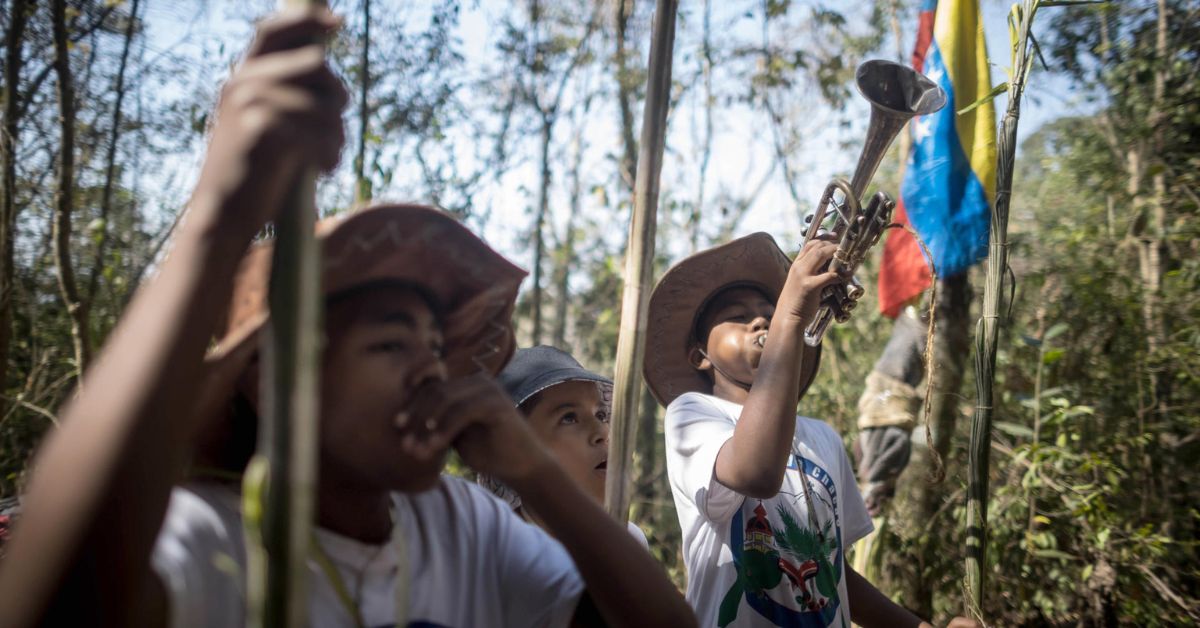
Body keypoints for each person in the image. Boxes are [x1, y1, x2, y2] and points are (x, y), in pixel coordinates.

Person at [0, 9, 695, 628]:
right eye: (392, 342)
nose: (431, 367)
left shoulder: (463, 525)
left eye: (435, 344)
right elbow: (54, 598)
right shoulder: (210, 541)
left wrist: (534, 474)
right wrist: (221, 215)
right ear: (268, 382)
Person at [643, 233, 976, 628]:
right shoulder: (693, 414)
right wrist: (789, 316)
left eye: (768, 311)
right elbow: (756, 473)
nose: (760, 320)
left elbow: (833, 573)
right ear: (699, 355)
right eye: (736, 315)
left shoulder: (823, 438)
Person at [484, 346, 648, 548]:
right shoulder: (495, 552)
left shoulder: (630, 540)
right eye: (569, 418)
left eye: (601, 415)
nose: (603, 433)